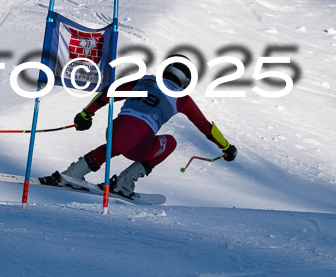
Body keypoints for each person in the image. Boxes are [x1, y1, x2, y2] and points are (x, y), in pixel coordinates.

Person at [40, 55, 238, 198]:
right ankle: (124, 183)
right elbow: (206, 128)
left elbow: (109, 93)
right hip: (140, 143)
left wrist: (86, 114)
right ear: (185, 80)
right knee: (170, 142)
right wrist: (226, 147)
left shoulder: (144, 80)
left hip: (115, 130)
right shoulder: (182, 98)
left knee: (116, 144)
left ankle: (73, 174)